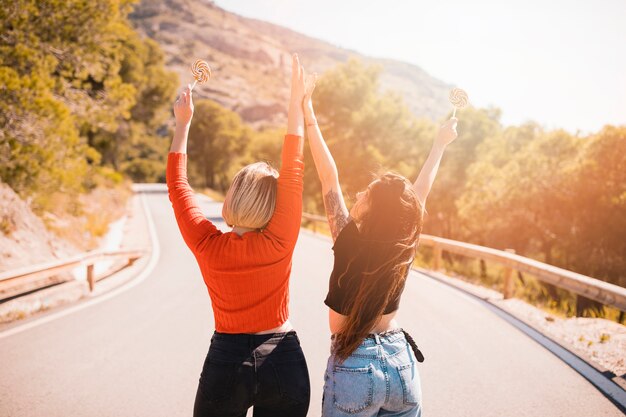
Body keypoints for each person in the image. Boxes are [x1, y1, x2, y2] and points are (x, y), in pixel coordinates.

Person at [302, 74, 458, 417]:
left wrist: (308, 113)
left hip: (356, 364)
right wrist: (440, 145)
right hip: (400, 365)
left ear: (373, 210)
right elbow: (420, 192)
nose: (358, 194)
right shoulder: (403, 244)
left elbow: (329, 177)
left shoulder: (347, 238)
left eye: (366, 195)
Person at [166, 54, 310, 417]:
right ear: (273, 205)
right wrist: (296, 104)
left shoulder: (207, 244)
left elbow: (178, 186)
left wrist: (182, 124)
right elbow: (294, 164)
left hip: (227, 362)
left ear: (232, 196)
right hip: (285, 361)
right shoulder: (280, 239)